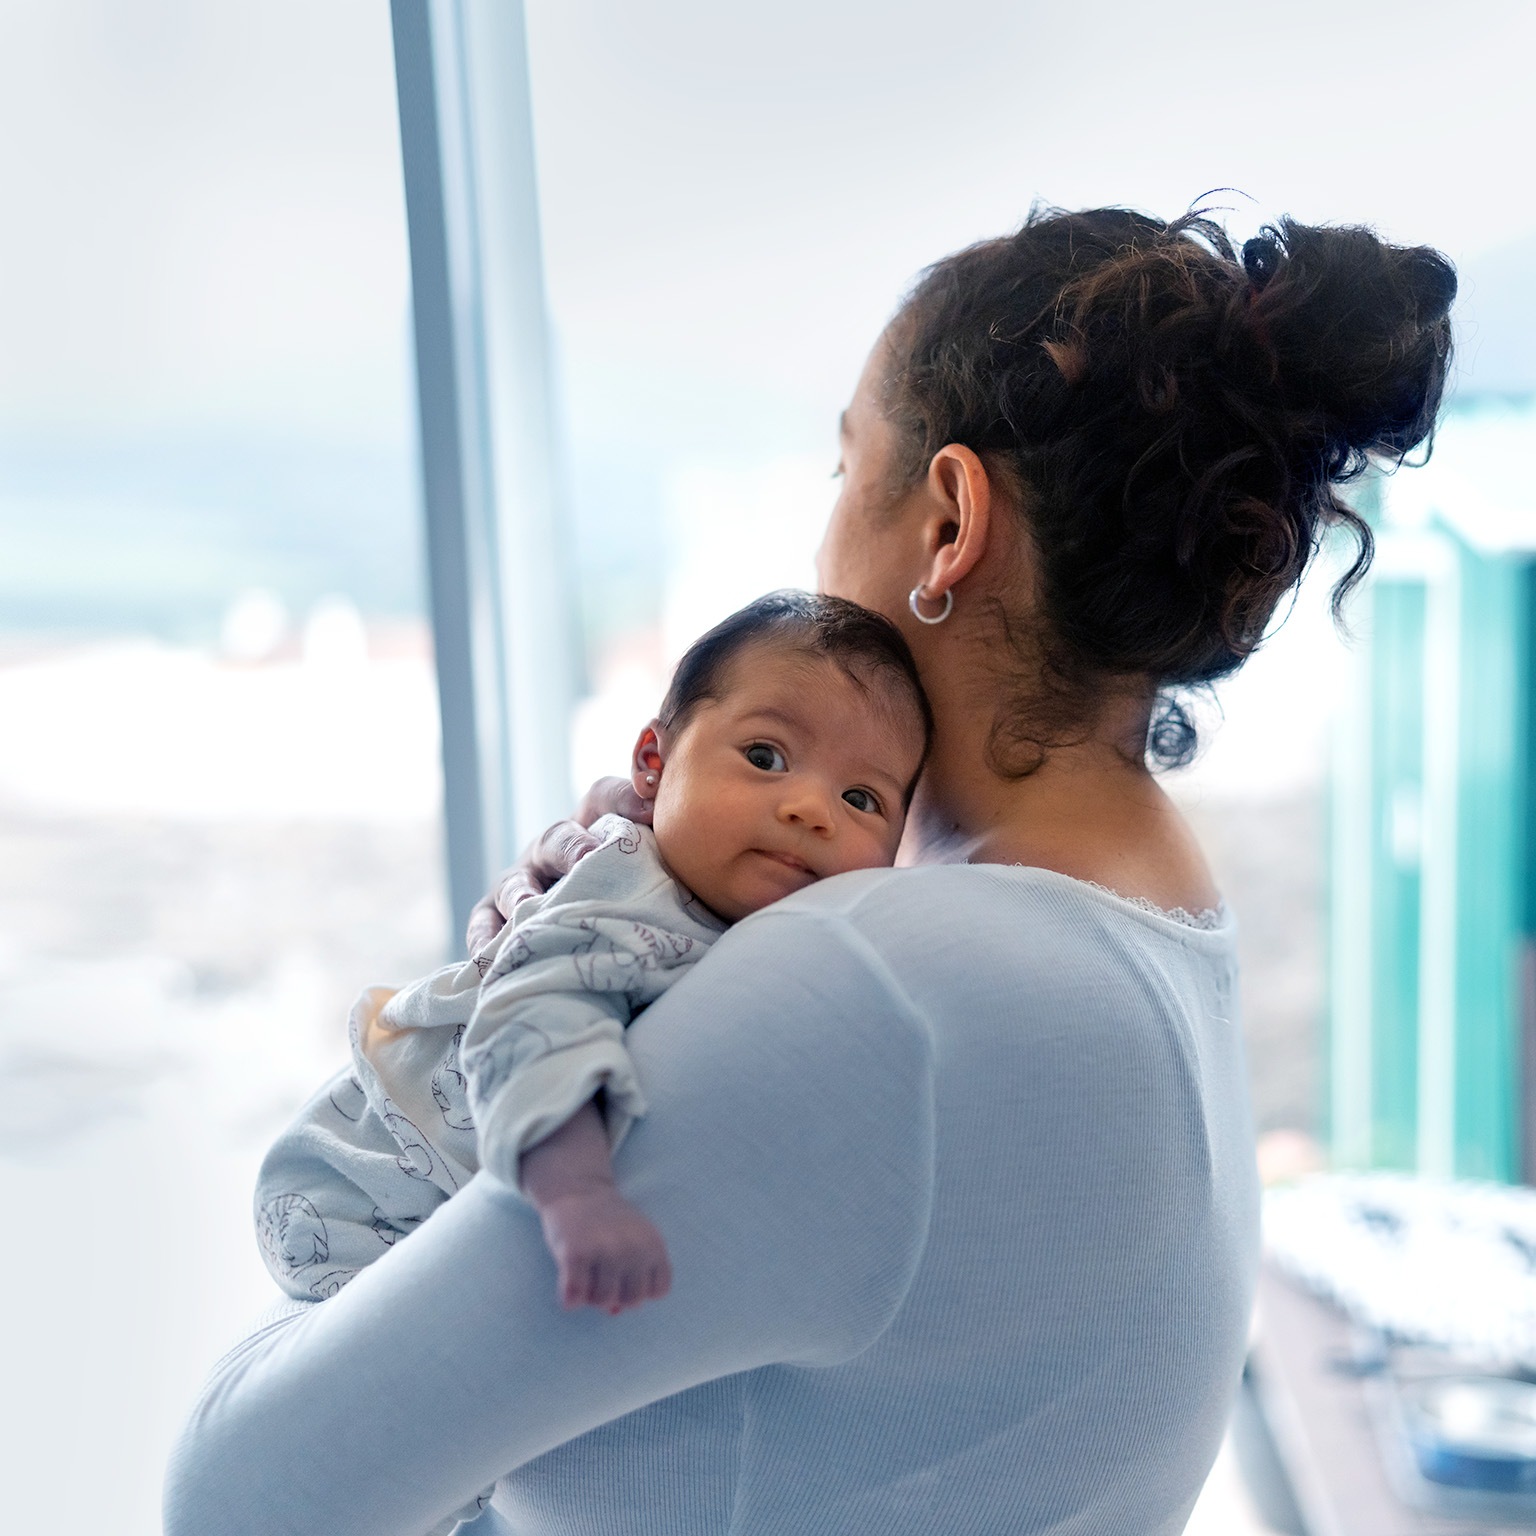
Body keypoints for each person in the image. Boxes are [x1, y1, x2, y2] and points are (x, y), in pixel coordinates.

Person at [164, 207, 1455, 1536]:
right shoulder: (1157, 917)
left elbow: (244, 1491)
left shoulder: (886, 996)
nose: (826, 536)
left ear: (950, 518)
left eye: (848, 473)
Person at [254, 591, 931, 1321]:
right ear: (653, 763)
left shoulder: (777, 931)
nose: (811, 809)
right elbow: (534, 1016)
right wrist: (577, 1193)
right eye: (765, 757)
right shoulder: (627, 885)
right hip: (360, 1180)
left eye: (862, 799)